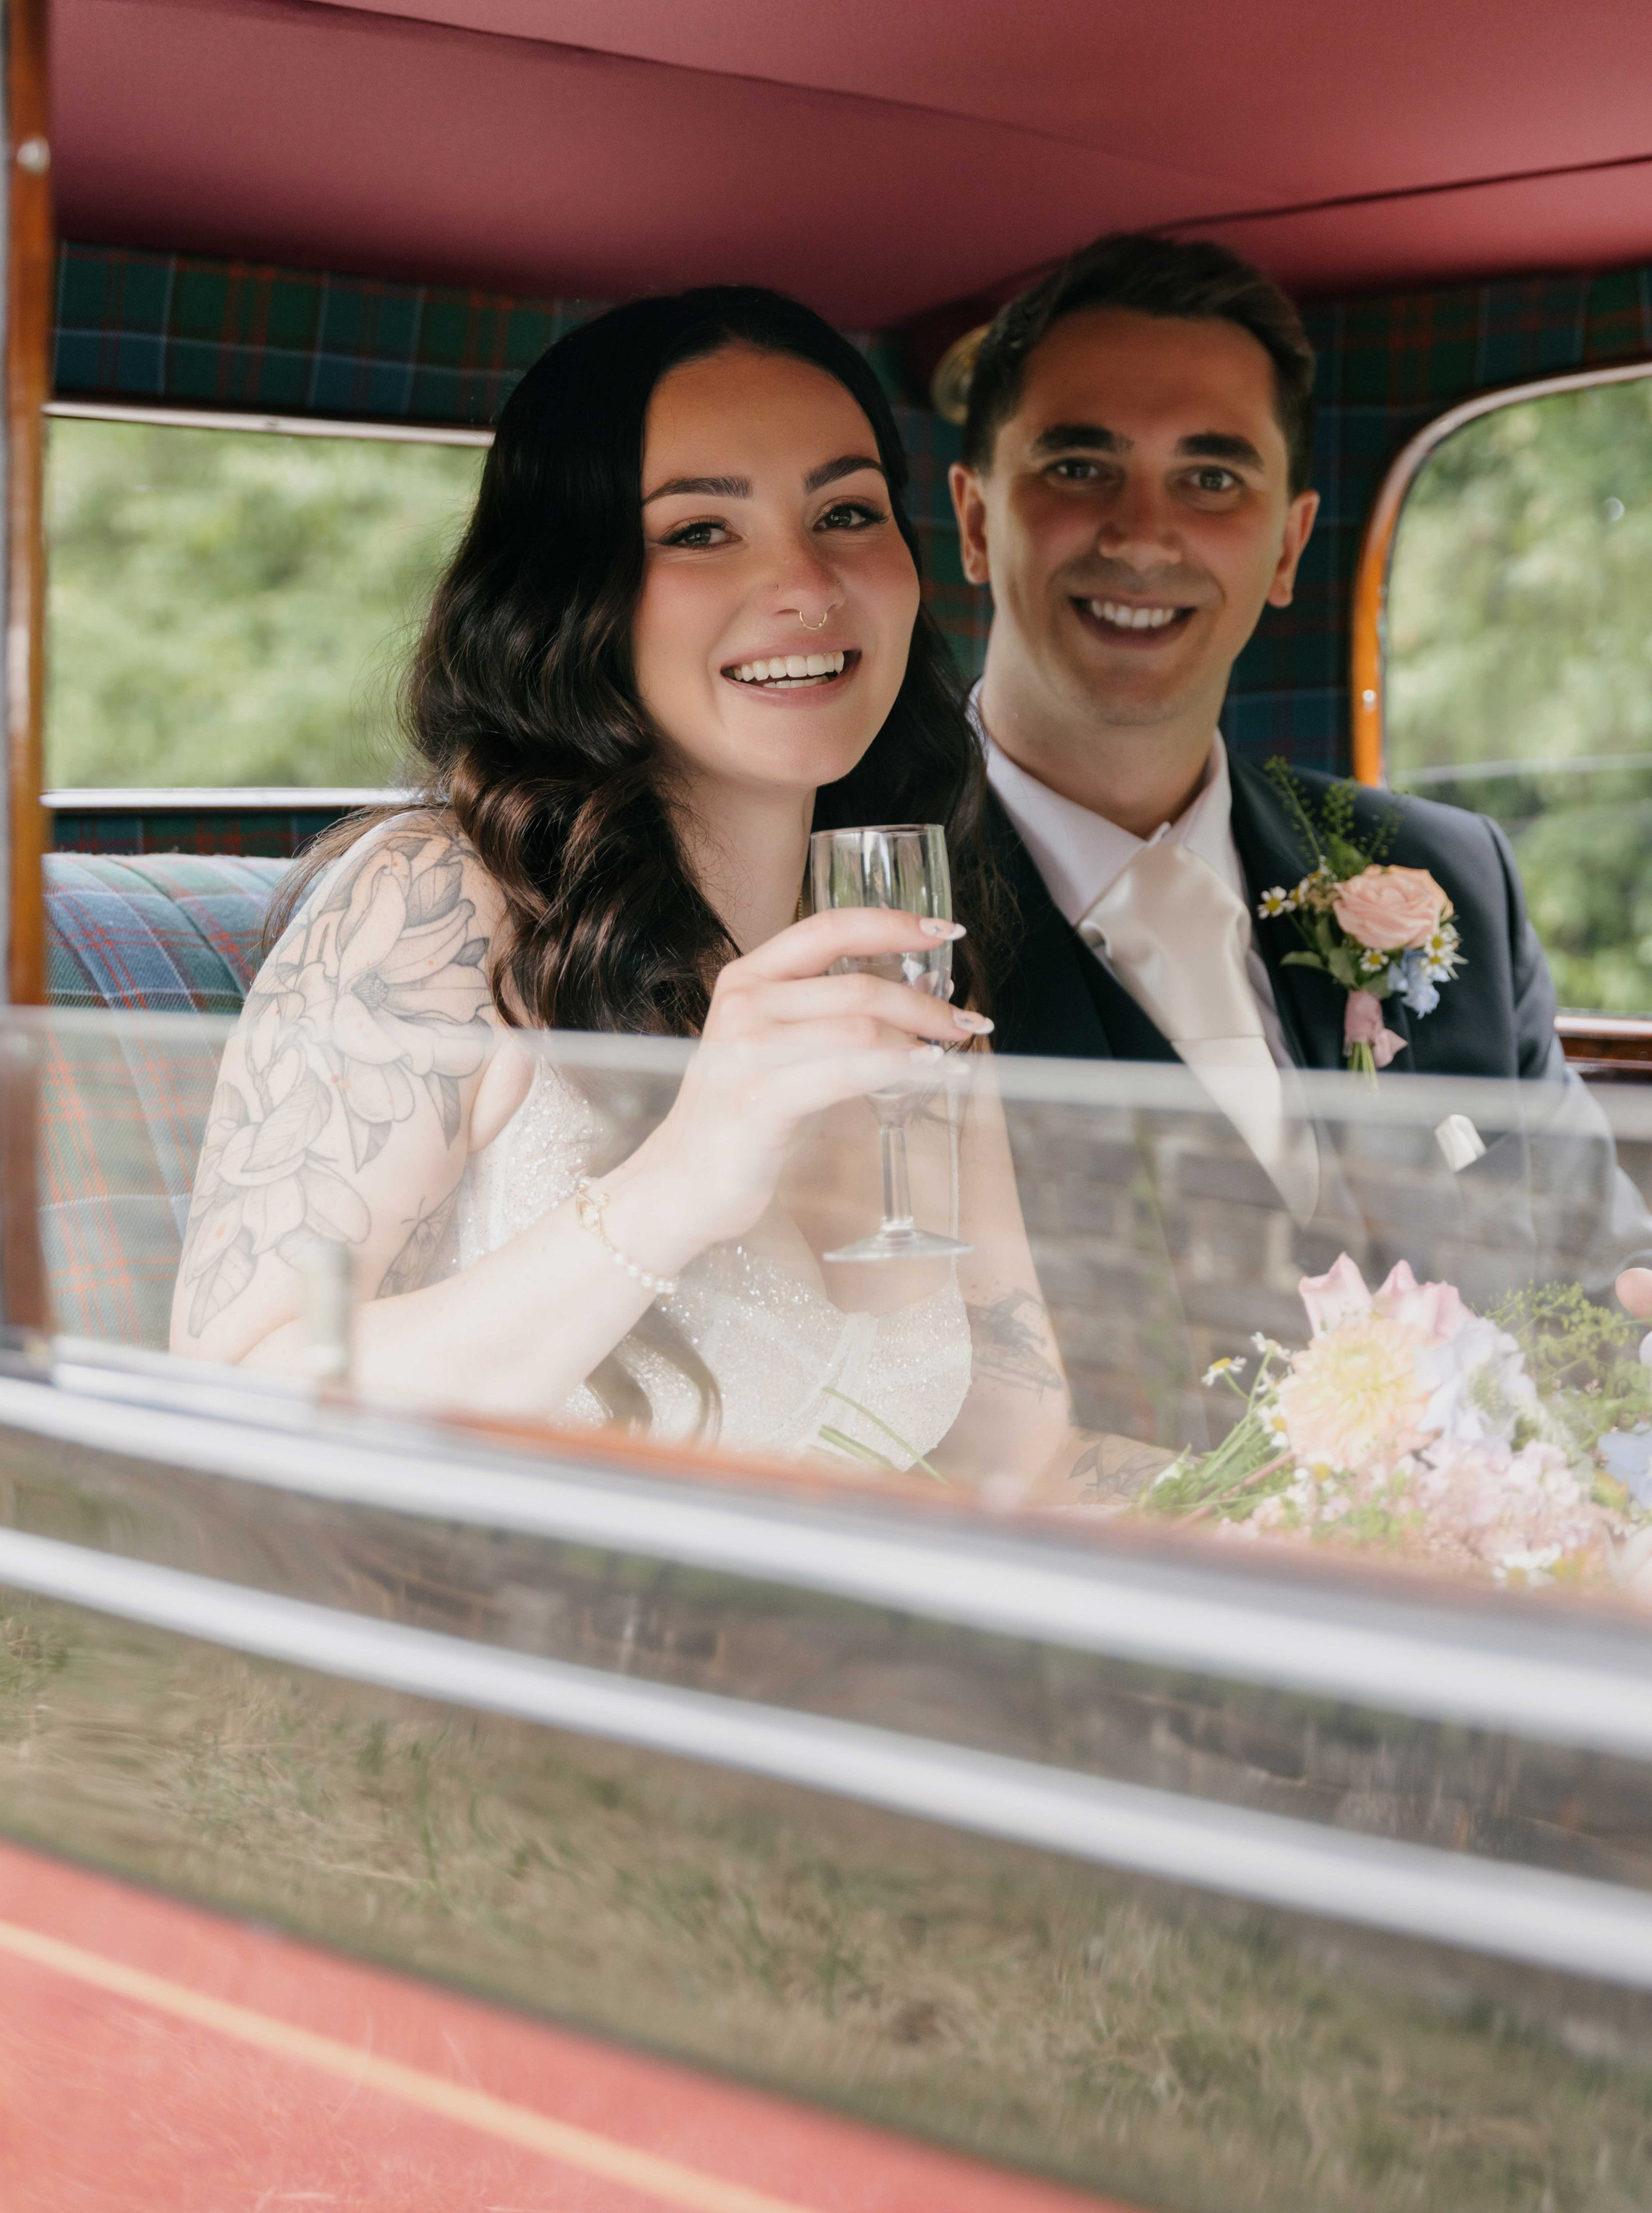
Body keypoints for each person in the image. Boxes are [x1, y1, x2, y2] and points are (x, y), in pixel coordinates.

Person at [170, 286, 1120, 1494]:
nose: (807, 584)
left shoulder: (894, 952)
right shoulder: (436, 903)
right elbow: (235, 1407)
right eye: (701, 531)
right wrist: (673, 1188)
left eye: (846, 514)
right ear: (572, 587)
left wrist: (1315, 1495)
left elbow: (1020, 1449)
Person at [947, 230, 1652, 1299]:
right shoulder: (861, 927)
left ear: (1287, 545)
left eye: (1212, 478)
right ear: (974, 519)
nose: (1143, 535)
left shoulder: (1450, 876)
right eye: (1079, 468)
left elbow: (1603, 1283)